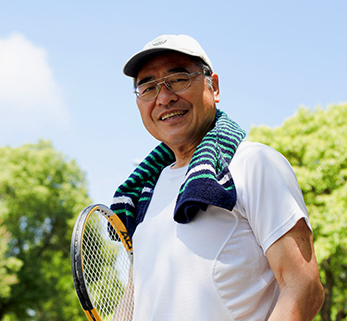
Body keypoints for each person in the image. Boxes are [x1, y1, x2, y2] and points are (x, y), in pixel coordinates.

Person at [111, 34, 324, 321]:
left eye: (178, 79)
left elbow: (304, 288)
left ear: (215, 87)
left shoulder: (254, 164)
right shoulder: (144, 194)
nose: (164, 97)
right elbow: (136, 301)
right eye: (148, 87)